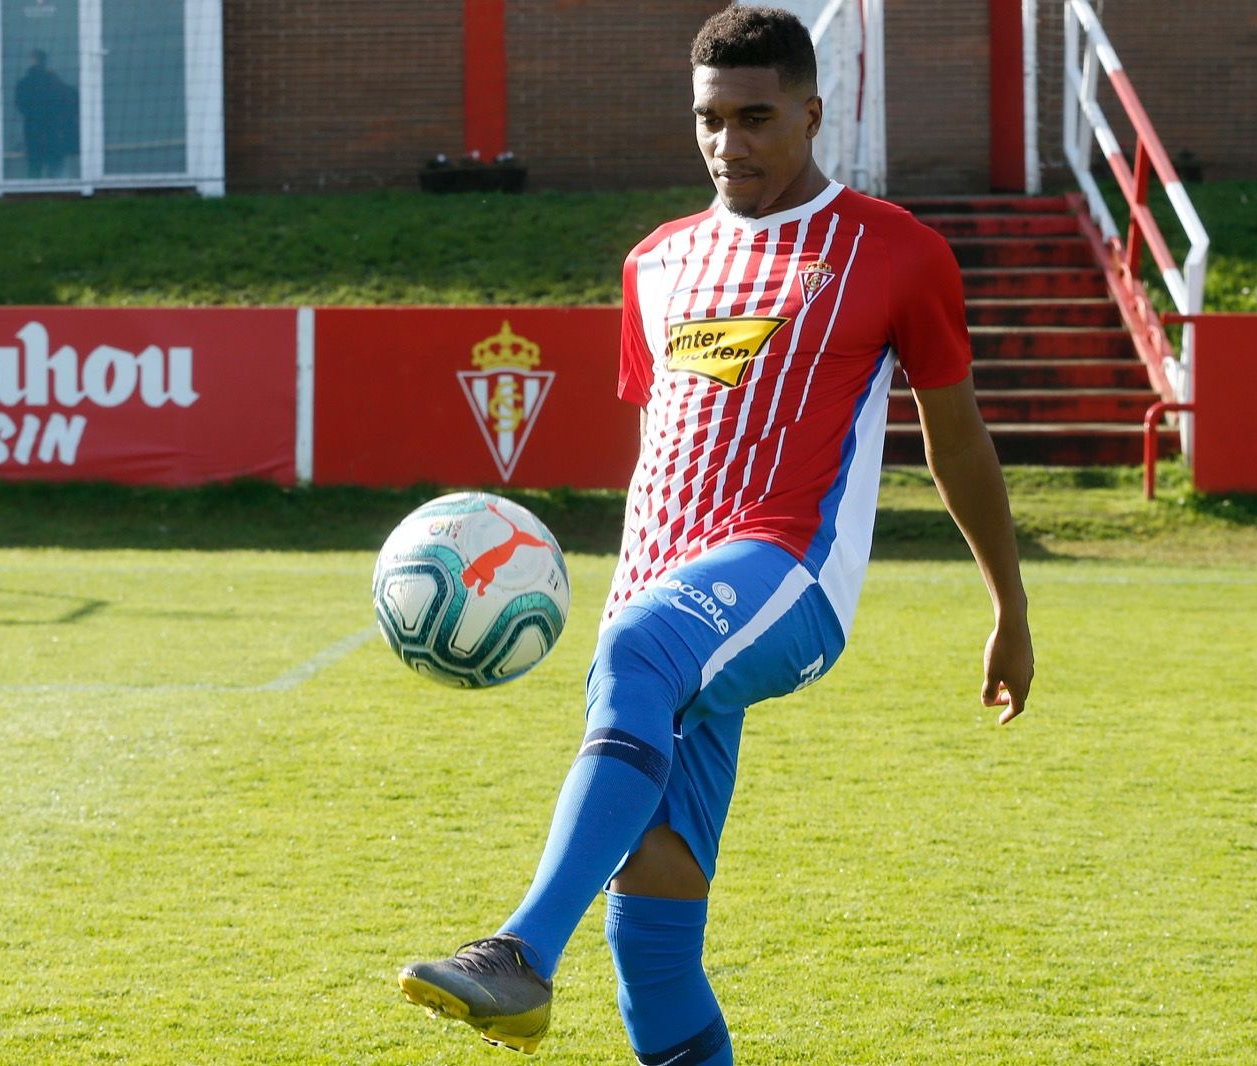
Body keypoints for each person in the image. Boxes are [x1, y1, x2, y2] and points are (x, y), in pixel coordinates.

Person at [399, 6, 1034, 1062]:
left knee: (640, 651)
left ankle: (518, 951)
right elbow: (664, 442)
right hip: (661, 604)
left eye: (754, 119)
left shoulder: (895, 252)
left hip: (787, 575)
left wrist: (1008, 605)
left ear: (811, 115)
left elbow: (957, 439)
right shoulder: (654, 263)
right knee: (649, 933)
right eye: (708, 120)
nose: (727, 143)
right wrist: (629, 598)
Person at [14, 49, 78, 179]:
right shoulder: (54, 82)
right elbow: (72, 98)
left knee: (34, 167)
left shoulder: (24, 84)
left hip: (33, 132)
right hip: (54, 132)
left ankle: (32, 189)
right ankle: (58, 189)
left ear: (32, 60)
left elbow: (21, 106)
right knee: (55, 167)